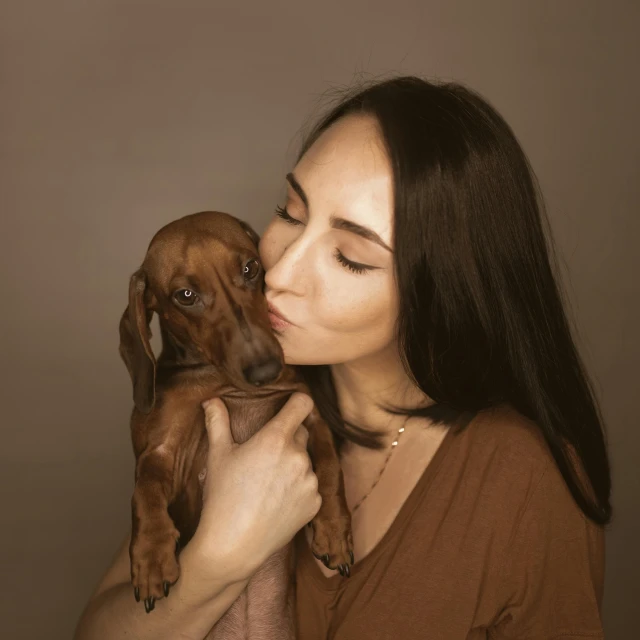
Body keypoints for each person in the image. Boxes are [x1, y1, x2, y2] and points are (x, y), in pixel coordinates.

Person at [74, 75, 611, 639]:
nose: (277, 273)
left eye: (350, 257)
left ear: (440, 290)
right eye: (289, 214)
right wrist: (218, 559)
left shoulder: (520, 481)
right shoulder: (238, 406)